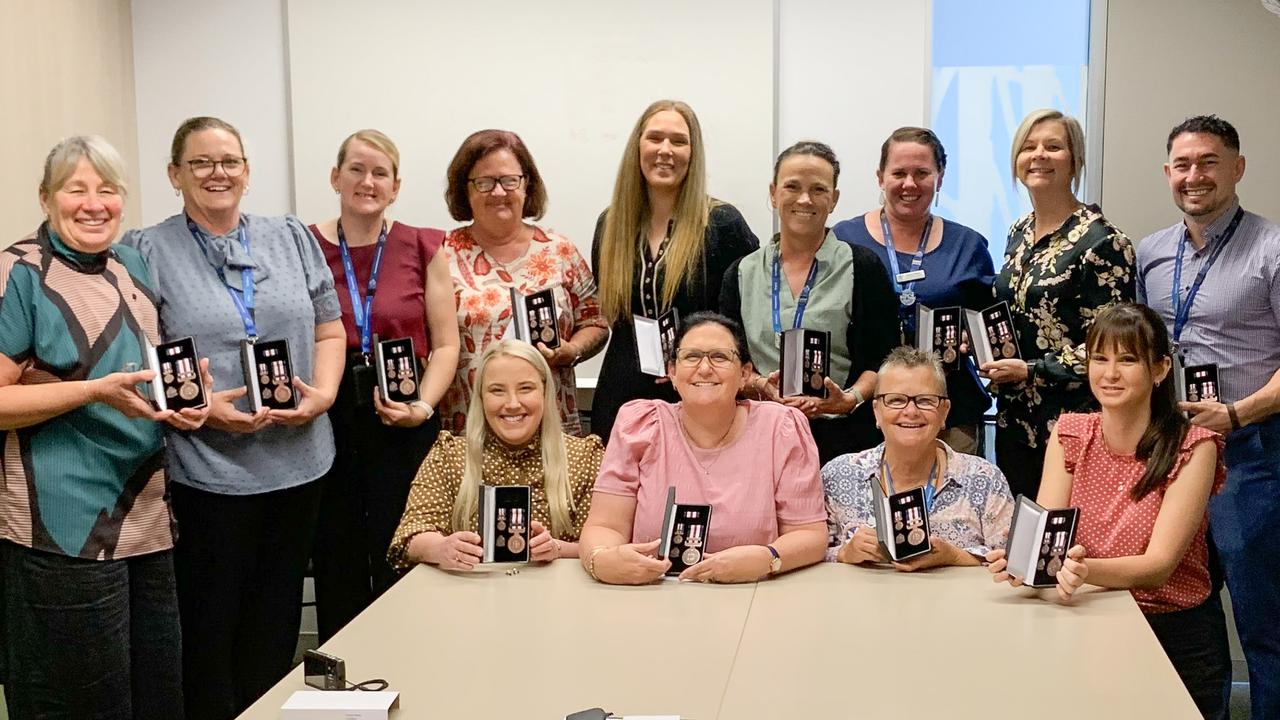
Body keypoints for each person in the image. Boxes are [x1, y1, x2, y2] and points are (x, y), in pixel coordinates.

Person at [122, 116, 344, 719]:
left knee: (275, 624)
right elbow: (142, 351)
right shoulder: (146, 249)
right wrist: (207, 412)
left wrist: (322, 395)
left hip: (300, 461)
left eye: (229, 161)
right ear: (174, 175)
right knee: (209, 626)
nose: (217, 173)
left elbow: (329, 326)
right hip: (207, 470)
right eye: (200, 163)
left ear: (247, 171)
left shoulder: (291, 236)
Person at [0, 136, 209, 717]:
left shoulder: (130, 263)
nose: (94, 204)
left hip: (147, 518)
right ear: (46, 199)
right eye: (76, 190)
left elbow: (136, 372)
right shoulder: (18, 272)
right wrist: (93, 392)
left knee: (156, 695)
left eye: (108, 190)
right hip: (61, 527)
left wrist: (189, 398)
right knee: (81, 703)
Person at [986, 303, 1231, 720]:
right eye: (1100, 358)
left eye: (1128, 359)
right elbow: (1048, 535)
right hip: (1086, 618)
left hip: (1172, 630)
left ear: (1160, 370)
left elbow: (1157, 567)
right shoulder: (1070, 433)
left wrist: (1080, 570)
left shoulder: (1194, 445)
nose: (1110, 373)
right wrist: (1022, 564)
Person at [1136, 114, 1280, 720]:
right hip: (1174, 451)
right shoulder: (1151, 252)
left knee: (1260, 614)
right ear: (1168, 173)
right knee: (1180, 606)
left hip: (1252, 452)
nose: (1195, 176)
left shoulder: (1272, 248)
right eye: (1183, 164)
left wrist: (1239, 414)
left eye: (1209, 162)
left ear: (1238, 169)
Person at [307, 130, 460, 642]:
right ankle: (343, 681)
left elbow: (445, 345)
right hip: (330, 415)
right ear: (335, 177)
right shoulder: (304, 244)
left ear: (395, 187)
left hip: (406, 413)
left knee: (404, 543)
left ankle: (413, 660)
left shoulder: (423, 243)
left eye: (379, 173)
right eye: (355, 169)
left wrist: (421, 406)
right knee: (337, 553)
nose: (366, 182)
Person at [579, 312, 827, 585]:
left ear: (745, 373)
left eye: (720, 357)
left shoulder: (781, 429)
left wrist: (768, 558)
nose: (705, 368)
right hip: (653, 597)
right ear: (672, 372)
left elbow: (810, 534)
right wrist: (601, 559)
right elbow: (605, 526)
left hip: (754, 595)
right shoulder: (639, 424)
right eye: (691, 356)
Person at [985, 109, 1134, 500]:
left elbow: (1112, 350)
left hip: (1074, 424)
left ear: (1074, 161)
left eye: (1053, 147)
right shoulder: (1019, 231)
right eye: (1029, 147)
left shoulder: (1103, 241)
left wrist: (1031, 369)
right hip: (1015, 421)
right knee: (1019, 541)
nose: (1039, 155)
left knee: (1063, 543)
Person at [590, 100, 758, 445]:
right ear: (638, 147)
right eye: (655, 138)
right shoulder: (611, 225)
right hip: (621, 394)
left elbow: (745, 319)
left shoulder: (722, 224)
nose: (665, 150)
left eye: (679, 141)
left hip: (700, 395)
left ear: (693, 154)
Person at [721, 141, 898, 463]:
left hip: (844, 442)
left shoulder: (863, 268)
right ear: (774, 193)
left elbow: (884, 358)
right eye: (792, 187)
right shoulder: (741, 272)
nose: (805, 199)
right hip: (758, 438)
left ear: (834, 199)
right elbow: (729, 359)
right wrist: (761, 385)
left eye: (818, 189)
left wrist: (849, 398)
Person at [833, 127, 995, 453]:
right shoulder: (842, 240)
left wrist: (971, 339)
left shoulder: (968, 245)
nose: (910, 184)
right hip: (864, 411)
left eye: (922, 173)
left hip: (948, 411)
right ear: (880, 177)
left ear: (940, 177)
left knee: (948, 501)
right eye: (899, 173)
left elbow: (988, 329)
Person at [438, 129, 608, 436]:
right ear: (465, 190)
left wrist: (572, 351)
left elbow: (596, 320)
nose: (499, 192)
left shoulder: (559, 250)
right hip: (470, 430)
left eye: (509, 180)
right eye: (484, 182)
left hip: (551, 430)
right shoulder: (441, 255)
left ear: (526, 185)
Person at [388, 340, 602, 570]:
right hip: (467, 595)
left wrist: (557, 549)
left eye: (525, 388)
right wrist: (440, 548)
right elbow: (410, 535)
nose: (512, 403)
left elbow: (606, 542)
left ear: (545, 392)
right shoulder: (449, 456)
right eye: (497, 391)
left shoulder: (584, 457)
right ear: (480, 397)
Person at [824, 346, 1013, 570]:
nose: (911, 411)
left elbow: (1010, 564)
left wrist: (954, 557)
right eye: (895, 400)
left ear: (945, 412)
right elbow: (809, 555)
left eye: (925, 400)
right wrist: (844, 553)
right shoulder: (837, 475)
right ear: (876, 411)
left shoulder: (985, 480)